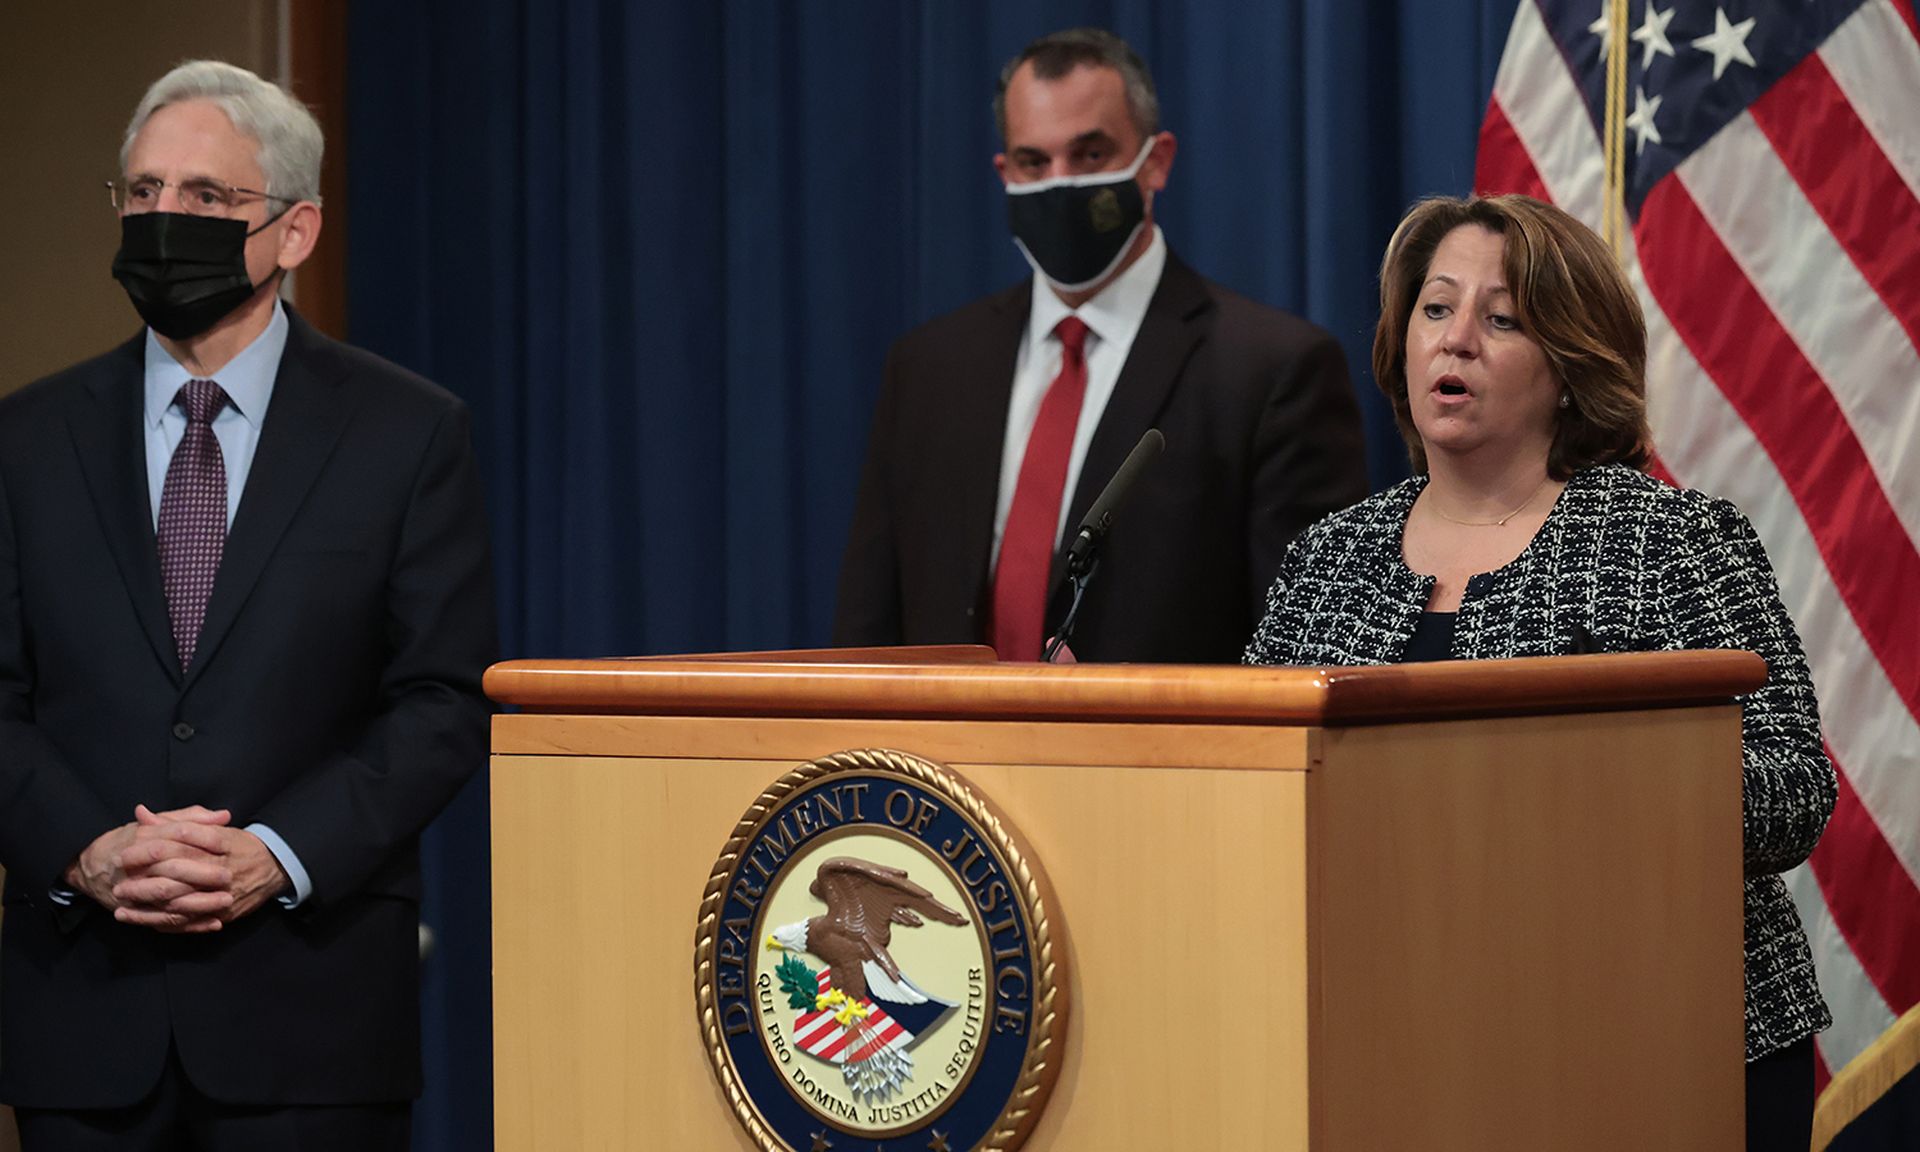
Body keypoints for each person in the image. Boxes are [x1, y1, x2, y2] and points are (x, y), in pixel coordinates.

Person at [1244, 193, 1833, 1151]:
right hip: (1388, 1047)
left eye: (1502, 319)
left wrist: (1587, 784)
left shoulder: (1670, 541)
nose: (1456, 340)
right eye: (1436, 310)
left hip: (1652, 1046)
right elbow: (1259, 791)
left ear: (1568, 367)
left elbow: (1792, 791)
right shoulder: (1330, 558)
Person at [0, 61, 495, 1150]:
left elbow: (441, 701)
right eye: (142, 193)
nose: (163, 220)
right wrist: (86, 849)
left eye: (207, 200)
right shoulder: (27, 439)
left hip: (309, 1024)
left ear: (295, 232)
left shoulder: (407, 435)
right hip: (84, 1019)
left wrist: (276, 850)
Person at [834, 27, 1367, 664]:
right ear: (1005, 174)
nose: (1060, 185)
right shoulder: (929, 368)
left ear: (1156, 161)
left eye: (1090, 156)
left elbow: (1305, 652)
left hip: (1164, 758)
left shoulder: (1272, 370)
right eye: (1035, 163)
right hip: (944, 761)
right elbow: (865, 637)